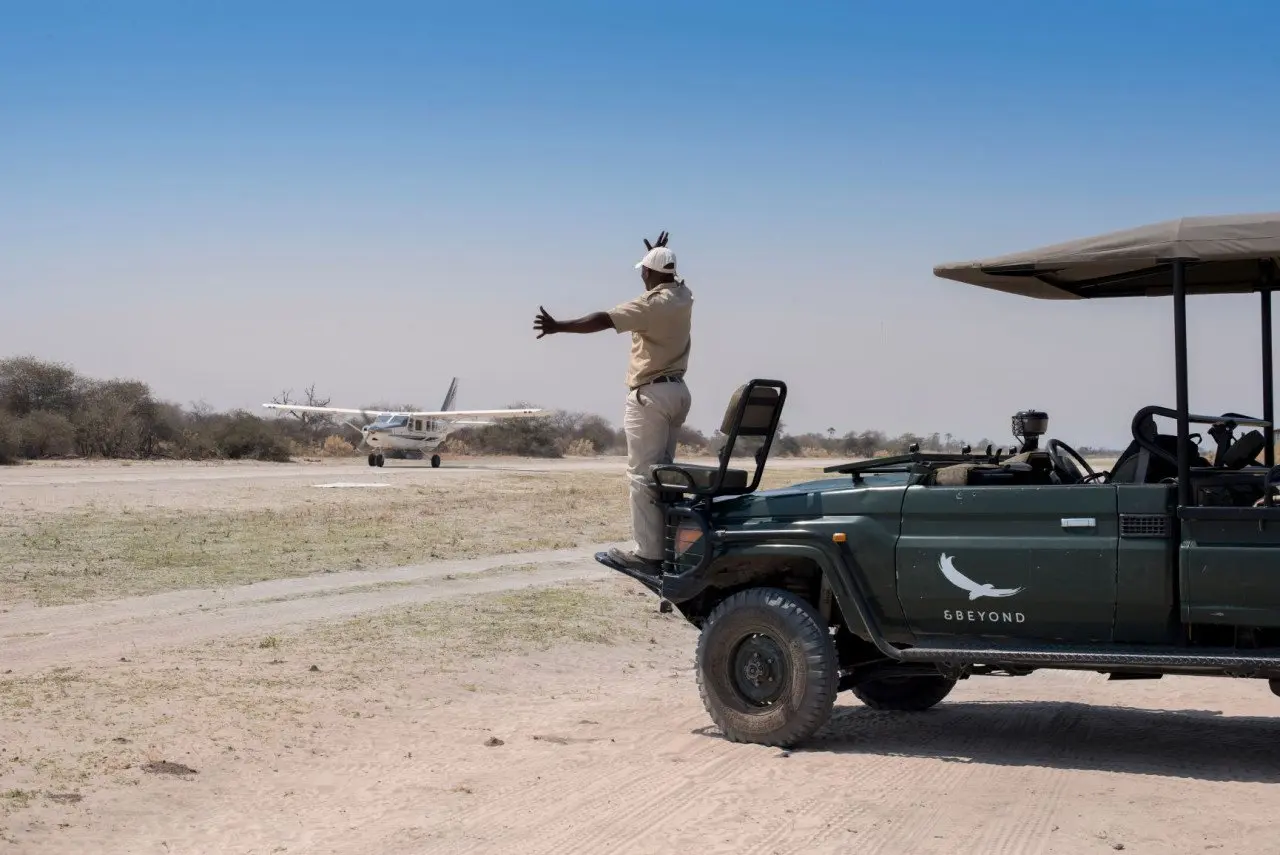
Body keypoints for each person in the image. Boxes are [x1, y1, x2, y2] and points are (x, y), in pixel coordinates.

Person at [533, 230, 694, 576]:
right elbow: (669, 279)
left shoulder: (650, 306)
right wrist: (659, 258)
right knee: (664, 475)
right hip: (678, 392)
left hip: (652, 394)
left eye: (643, 271)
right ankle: (668, 547)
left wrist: (558, 326)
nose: (641, 275)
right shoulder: (683, 296)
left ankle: (648, 554)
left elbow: (604, 319)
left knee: (641, 476)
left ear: (649, 274)